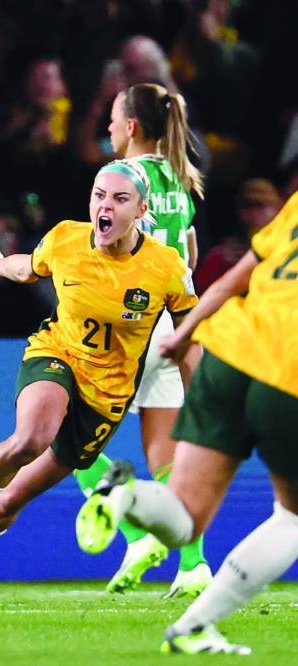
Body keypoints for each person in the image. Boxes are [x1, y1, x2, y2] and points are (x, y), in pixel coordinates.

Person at [0, 159, 198, 606]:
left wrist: (199, 399)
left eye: (119, 199)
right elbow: (29, 267)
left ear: (141, 210)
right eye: (99, 195)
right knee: (29, 439)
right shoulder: (66, 239)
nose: (105, 206)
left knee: (14, 497)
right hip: (55, 354)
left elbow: (192, 334)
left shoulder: (165, 267)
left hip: (106, 397)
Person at [74, 189, 298, 656]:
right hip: (286, 373)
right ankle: (198, 621)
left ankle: (128, 495)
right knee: (293, 518)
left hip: (227, 355)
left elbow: (233, 281)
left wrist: (185, 332)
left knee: (185, 519)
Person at [70, 82, 210, 597]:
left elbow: (115, 239)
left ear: (130, 127)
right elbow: (189, 258)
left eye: (112, 119)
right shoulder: (179, 177)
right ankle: (192, 564)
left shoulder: (127, 178)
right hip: (178, 327)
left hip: (132, 327)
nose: (107, 128)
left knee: (71, 440)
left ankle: (131, 530)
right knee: (166, 456)